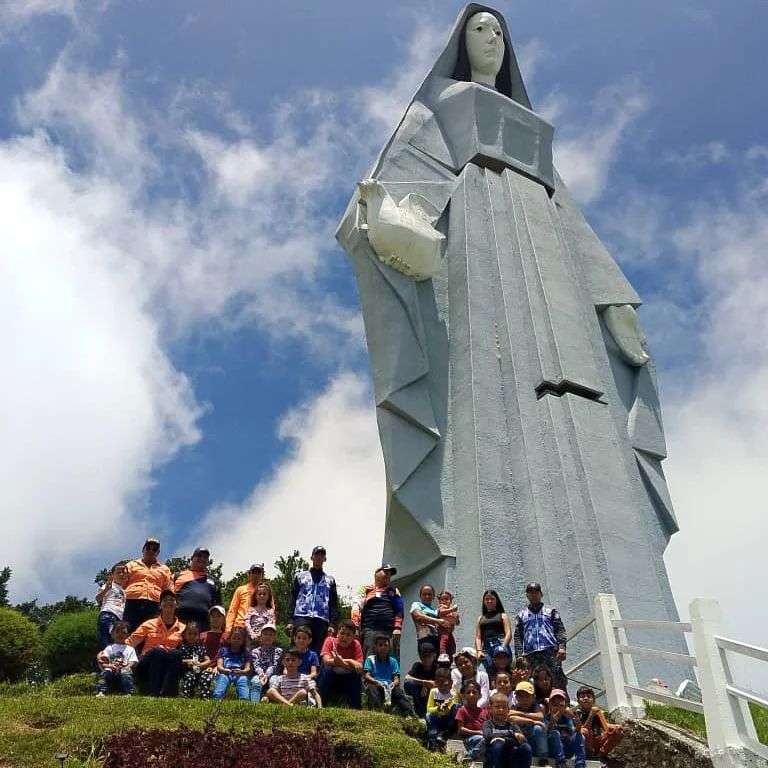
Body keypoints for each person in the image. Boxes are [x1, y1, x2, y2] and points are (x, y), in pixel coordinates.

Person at [127, 589, 185, 696]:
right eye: (165, 599)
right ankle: (152, 691)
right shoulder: (149, 624)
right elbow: (130, 642)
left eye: (172, 599)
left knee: (176, 654)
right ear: (160, 605)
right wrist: (110, 651)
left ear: (177, 605)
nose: (169, 601)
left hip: (169, 665)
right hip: (147, 665)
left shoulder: (183, 628)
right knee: (158, 651)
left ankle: (169, 693)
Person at [513, 583, 567, 691]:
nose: (533, 595)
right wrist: (519, 655)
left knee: (556, 680)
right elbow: (518, 636)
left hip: (550, 652)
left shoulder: (551, 611)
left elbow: (560, 630)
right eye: (530, 593)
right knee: (535, 682)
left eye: (536, 592)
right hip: (531, 654)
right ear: (527, 596)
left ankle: (561, 700)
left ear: (541, 594)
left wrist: (562, 647)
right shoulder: (521, 615)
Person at [287, 546, 340, 654]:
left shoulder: (330, 580)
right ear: (312, 557)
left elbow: (333, 604)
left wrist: (332, 624)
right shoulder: (300, 576)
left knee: (317, 651)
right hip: (301, 617)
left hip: (321, 620)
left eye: (322, 555)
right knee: (297, 649)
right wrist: (290, 620)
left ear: (325, 559)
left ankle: (315, 666)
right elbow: (293, 598)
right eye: (317, 555)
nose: (319, 557)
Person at [352, 564, 404, 658]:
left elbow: (399, 609)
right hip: (370, 630)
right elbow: (356, 606)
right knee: (370, 659)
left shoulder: (393, 591)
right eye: (385, 572)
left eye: (390, 573)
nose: (388, 575)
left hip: (389, 632)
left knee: (391, 660)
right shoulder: (366, 589)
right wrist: (355, 627)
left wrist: (397, 628)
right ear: (376, 573)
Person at [123, 538, 173, 632]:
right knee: (128, 631)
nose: (151, 550)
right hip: (131, 602)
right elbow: (122, 584)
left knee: (151, 633)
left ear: (158, 553)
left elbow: (168, 590)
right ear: (143, 550)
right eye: (148, 548)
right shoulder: (131, 565)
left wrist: (168, 608)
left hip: (154, 604)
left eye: (154, 549)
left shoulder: (164, 569)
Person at [363, 634, 415, 716]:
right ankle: (377, 712)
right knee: (371, 689)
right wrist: (376, 682)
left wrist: (394, 684)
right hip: (375, 684)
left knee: (398, 692)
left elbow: (396, 678)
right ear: (375, 647)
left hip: (388, 687)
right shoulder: (370, 659)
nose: (383, 647)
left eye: (386, 645)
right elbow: (367, 675)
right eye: (380, 645)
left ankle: (409, 714)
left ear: (389, 647)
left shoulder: (393, 661)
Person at [319, 619, 364, 709]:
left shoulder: (356, 644)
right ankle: (323, 703)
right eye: (342, 633)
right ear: (337, 633)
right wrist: (350, 663)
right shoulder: (330, 640)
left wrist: (345, 661)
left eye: (348, 635)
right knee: (326, 670)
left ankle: (356, 707)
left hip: (347, 679)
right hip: (331, 677)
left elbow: (359, 667)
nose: (344, 637)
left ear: (353, 637)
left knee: (357, 675)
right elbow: (326, 661)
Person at [174, 547, 222, 631]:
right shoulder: (178, 575)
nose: (202, 559)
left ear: (208, 561)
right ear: (192, 558)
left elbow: (218, 606)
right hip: (179, 621)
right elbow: (167, 597)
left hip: (204, 624)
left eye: (205, 557)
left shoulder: (214, 581)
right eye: (199, 556)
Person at [482, 692, 533, 768]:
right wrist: (511, 735)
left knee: (526, 747)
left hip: (511, 758)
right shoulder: (488, 724)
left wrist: (504, 739)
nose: (501, 710)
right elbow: (488, 736)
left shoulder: (512, 725)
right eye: (497, 707)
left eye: (504, 707)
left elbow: (521, 738)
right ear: (490, 709)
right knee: (498, 744)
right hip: (494, 758)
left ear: (508, 710)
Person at [574, 686, 624, 760]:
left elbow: (606, 727)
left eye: (589, 696)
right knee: (584, 732)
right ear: (578, 701)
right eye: (582, 697)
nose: (586, 698)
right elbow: (582, 731)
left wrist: (617, 728)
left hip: (597, 740)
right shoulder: (576, 713)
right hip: (585, 744)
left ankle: (602, 753)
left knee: (617, 729)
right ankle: (589, 754)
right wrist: (591, 715)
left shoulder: (597, 712)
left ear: (594, 700)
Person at [545, 689, 586, 768]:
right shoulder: (546, 717)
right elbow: (546, 732)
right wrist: (552, 722)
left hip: (566, 750)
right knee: (555, 733)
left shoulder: (567, 718)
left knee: (580, 736)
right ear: (549, 705)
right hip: (552, 751)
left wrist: (578, 725)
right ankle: (561, 763)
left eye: (561, 705)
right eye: (555, 705)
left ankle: (580, 764)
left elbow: (574, 733)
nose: (558, 708)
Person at [95, 620, 138, 696]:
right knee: (105, 673)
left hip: (123, 671)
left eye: (123, 632)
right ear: (112, 634)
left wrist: (127, 666)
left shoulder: (130, 649)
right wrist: (110, 666)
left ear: (128, 635)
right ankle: (101, 691)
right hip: (111, 671)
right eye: (117, 631)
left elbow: (133, 661)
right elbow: (102, 662)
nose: (120, 634)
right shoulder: (109, 648)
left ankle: (128, 692)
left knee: (126, 672)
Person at [475, 590, 512, 674]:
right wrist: (479, 651)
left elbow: (508, 633)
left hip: (501, 646)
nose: (489, 601)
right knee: (486, 672)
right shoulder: (481, 618)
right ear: (484, 601)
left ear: (496, 600)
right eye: (487, 599)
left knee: (503, 672)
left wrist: (503, 647)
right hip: (487, 649)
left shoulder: (503, 616)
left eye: (492, 599)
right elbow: (478, 637)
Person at [508, 680, 547, 760]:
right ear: (516, 697)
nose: (524, 699)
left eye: (527, 696)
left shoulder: (536, 706)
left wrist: (521, 714)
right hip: (522, 742)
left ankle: (543, 758)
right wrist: (533, 721)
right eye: (521, 696)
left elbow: (540, 716)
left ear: (533, 697)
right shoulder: (514, 707)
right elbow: (511, 717)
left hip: (534, 743)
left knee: (538, 728)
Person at [212, 626, 251, 701]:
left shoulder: (245, 653)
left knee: (243, 680)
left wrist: (242, 672)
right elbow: (219, 666)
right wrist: (224, 670)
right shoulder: (223, 650)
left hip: (240, 674)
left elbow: (247, 668)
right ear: (230, 639)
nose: (236, 640)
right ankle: (217, 698)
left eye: (239, 639)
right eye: (234, 638)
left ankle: (244, 700)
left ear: (243, 641)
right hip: (226, 673)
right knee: (222, 679)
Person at [95, 562, 129, 650]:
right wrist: (106, 589)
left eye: (124, 572)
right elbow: (98, 598)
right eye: (118, 572)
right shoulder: (110, 586)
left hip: (118, 619)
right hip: (108, 615)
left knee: (115, 646)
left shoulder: (124, 591)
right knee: (107, 645)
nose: (121, 574)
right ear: (112, 575)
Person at [425, 667, 460, 751]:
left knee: (457, 707)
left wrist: (445, 708)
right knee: (429, 715)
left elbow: (452, 709)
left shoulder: (453, 694)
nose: (442, 687)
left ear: (451, 683)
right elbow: (429, 709)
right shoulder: (434, 691)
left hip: (448, 720)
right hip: (437, 718)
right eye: (439, 684)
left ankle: (446, 733)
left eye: (445, 684)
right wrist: (438, 708)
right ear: (436, 682)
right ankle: (432, 739)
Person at [225, 563, 265, 634]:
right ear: (249, 574)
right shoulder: (240, 590)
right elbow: (232, 610)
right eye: (253, 572)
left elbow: (271, 610)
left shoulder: (265, 592)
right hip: (240, 627)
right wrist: (228, 629)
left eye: (258, 573)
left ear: (262, 575)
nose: (256, 575)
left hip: (258, 628)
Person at [178, 621, 214, 699]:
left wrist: (201, 665)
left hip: (199, 669)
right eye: (189, 634)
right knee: (189, 677)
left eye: (195, 634)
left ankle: (205, 696)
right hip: (187, 670)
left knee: (206, 676)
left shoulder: (200, 647)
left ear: (198, 635)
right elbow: (179, 660)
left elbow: (208, 660)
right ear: (185, 635)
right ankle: (186, 696)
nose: (192, 636)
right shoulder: (183, 647)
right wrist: (188, 661)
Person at [455, 679, 488, 762]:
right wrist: (478, 732)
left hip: (482, 738)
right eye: (468, 692)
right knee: (484, 739)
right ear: (464, 695)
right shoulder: (462, 710)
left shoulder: (484, 711)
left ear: (480, 695)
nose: (471, 695)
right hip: (469, 739)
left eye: (474, 692)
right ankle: (470, 756)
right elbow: (461, 729)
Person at [250, 623, 283, 703]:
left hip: (273, 674)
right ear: (260, 637)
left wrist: (266, 675)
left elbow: (274, 665)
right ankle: (254, 703)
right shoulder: (255, 651)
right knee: (255, 681)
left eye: (271, 635)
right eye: (265, 634)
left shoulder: (278, 651)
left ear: (274, 638)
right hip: (259, 675)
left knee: (274, 681)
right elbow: (256, 665)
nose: (268, 636)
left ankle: (272, 700)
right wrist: (262, 675)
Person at [403, 641, 438, 717]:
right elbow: (407, 678)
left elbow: (439, 684)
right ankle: (419, 711)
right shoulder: (417, 666)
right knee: (409, 684)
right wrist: (424, 683)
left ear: (434, 656)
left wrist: (428, 685)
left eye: (429, 656)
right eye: (424, 656)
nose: (426, 659)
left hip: (432, 697)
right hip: (419, 696)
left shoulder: (437, 668)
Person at [409, 584, 443, 654]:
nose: (427, 596)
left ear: (433, 596)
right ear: (420, 596)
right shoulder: (416, 605)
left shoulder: (435, 611)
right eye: (424, 594)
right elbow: (418, 616)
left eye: (429, 594)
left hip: (437, 640)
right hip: (425, 638)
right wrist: (437, 621)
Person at [436, 589, 460, 656]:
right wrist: (452, 610)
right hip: (442, 629)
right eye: (442, 599)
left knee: (452, 643)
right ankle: (442, 653)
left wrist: (456, 618)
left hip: (449, 631)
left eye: (446, 599)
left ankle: (452, 655)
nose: (444, 601)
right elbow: (441, 613)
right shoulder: (441, 607)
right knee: (444, 640)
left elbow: (457, 623)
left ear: (451, 600)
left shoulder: (451, 610)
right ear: (439, 601)